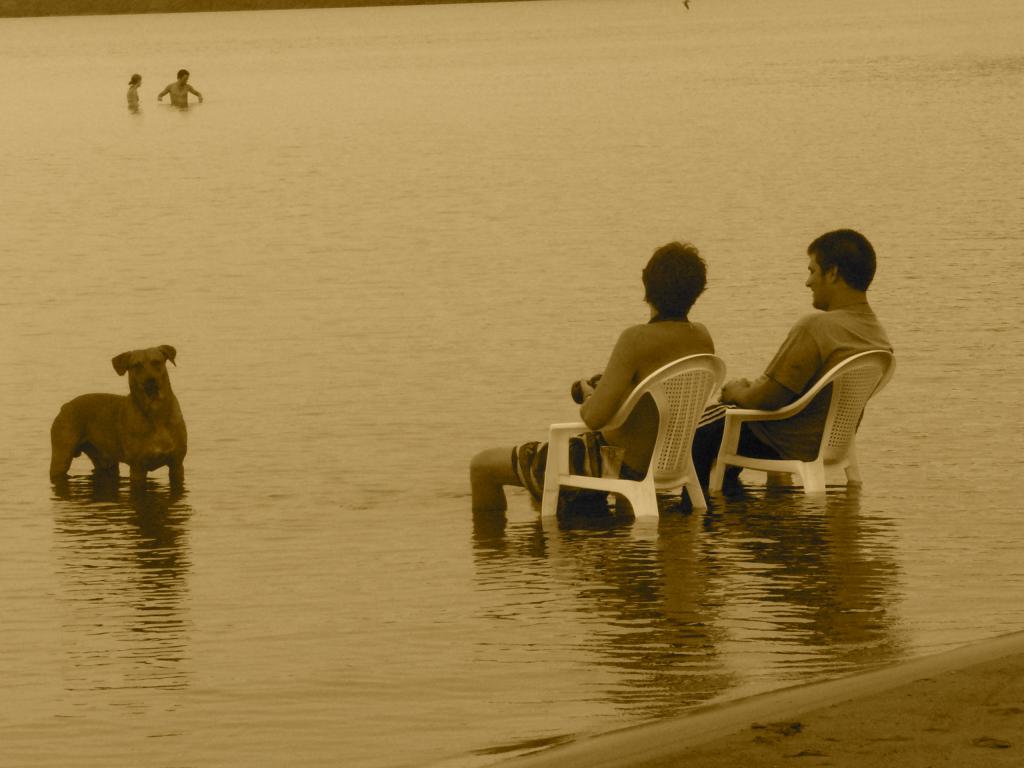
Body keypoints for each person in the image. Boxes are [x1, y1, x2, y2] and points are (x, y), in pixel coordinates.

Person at [470, 242, 716, 513]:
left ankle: (489, 541)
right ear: (697, 291)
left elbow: (593, 418)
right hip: (668, 463)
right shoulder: (702, 338)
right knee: (561, 475)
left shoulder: (635, 339)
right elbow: (657, 399)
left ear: (647, 284)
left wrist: (590, 394)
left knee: (482, 466)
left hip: (615, 463)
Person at [691, 228, 892, 490]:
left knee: (693, 429)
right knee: (722, 430)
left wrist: (736, 392)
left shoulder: (817, 328)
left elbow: (768, 398)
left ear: (832, 273)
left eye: (812, 271)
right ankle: (734, 504)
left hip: (783, 441)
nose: (808, 282)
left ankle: (694, 511)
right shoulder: (877, 334)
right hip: (832, 441)